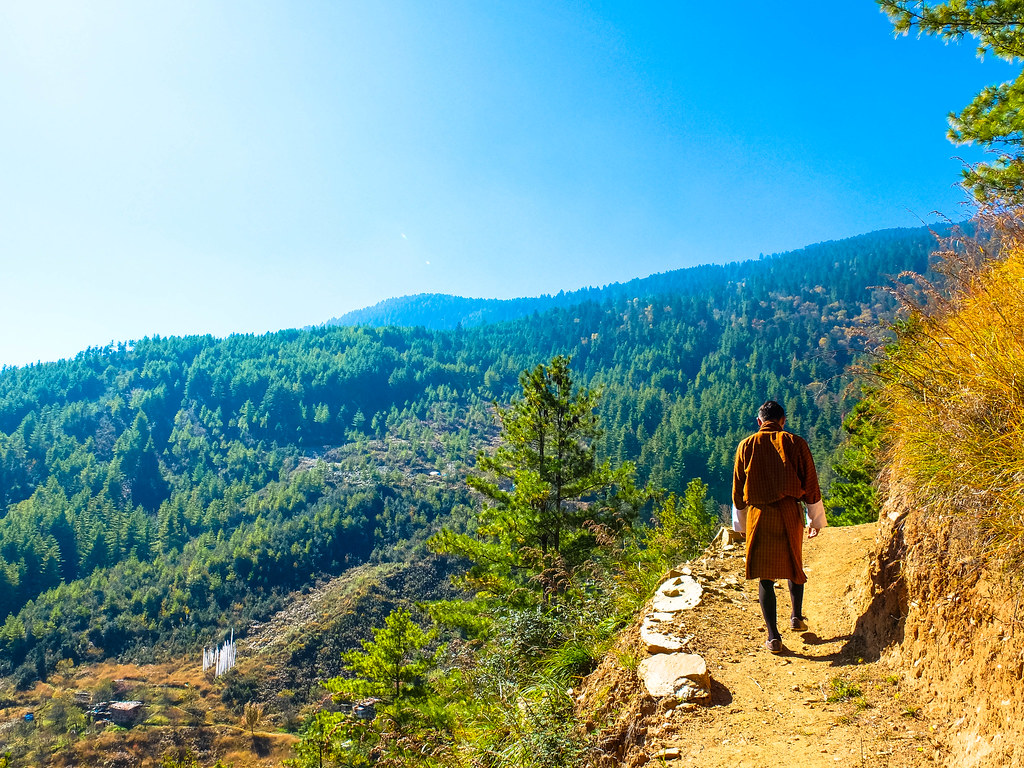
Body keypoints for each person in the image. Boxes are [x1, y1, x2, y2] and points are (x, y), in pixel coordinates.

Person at [731, 400, 826, 653]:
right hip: (789, 511)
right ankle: (796, 616)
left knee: (765, 575)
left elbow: (738, 490)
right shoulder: (796, 443)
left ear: (759, 421)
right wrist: (814, 520)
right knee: (794, 562)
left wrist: (741, 525)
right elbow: (811, 483)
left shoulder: (746, 445)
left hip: (758, 514)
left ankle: (773, 636)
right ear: (783, 421)